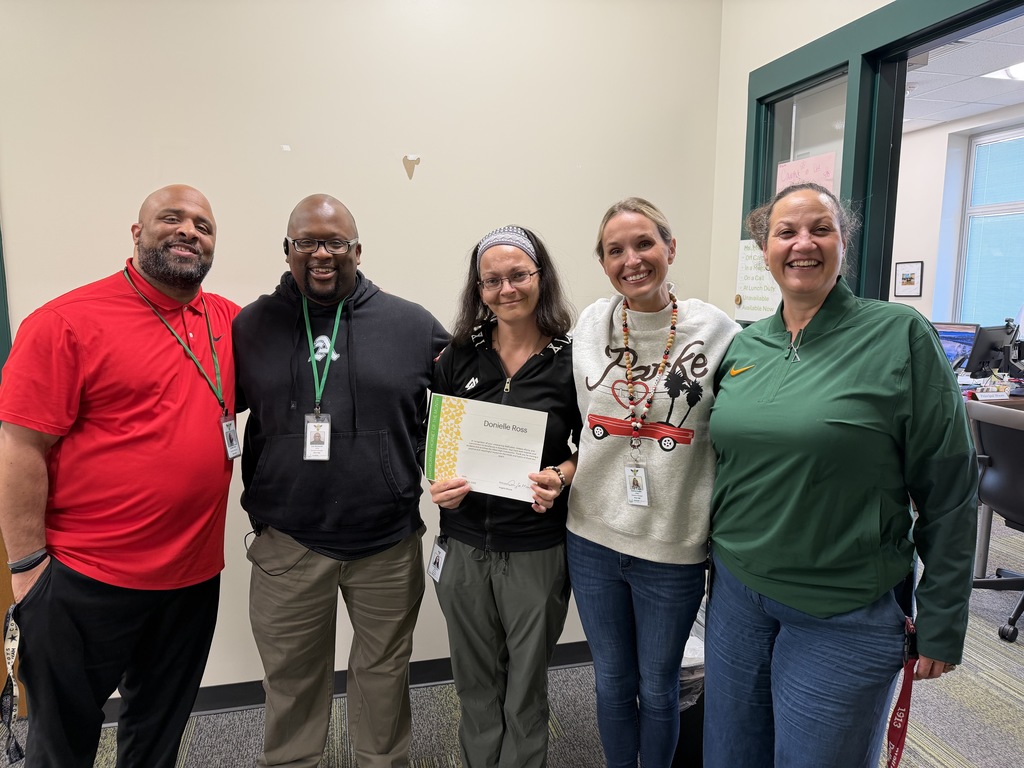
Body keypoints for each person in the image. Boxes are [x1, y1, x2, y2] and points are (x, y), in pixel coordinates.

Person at [704, 183, 979, 768]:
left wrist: (943, 614)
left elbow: (950, 488)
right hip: (736, 594)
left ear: (843, 244)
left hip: (844, 608)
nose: (803, 244)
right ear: (765, 248)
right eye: (786, 232)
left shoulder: (899, 336)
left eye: (820, 229)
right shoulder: (746, 344)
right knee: (730, 754)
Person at [0, 185, 239, 768]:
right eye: (171, 219)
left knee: (157, 735)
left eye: (203, 226)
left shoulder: (230, 322)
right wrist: (28, 568)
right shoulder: (65, 322)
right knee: (63, 742)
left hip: (191, 580)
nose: (189, 231)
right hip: (85, 577)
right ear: (137, 234)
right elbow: (20, 448)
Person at [234, 194, 448, 768]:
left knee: (383, 681)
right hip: (289, 543)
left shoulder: (410, 323)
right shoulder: (250, 326)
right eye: (307, 242)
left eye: (334, 242)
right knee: (292, 685)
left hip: (387, 542)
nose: (321, 253)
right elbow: (204, 406)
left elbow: (467, 400)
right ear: (287, 251)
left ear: (357, 249)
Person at [567, 198, 740, 768]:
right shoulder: (590, 324)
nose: (632, 259)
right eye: (615, 250)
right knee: (613, 683)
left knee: (660, 687)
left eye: (644, 244)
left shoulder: (715, 330)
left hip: (672, 544)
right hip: (591, 536)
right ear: (603, 262)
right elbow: (575, 423)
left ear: (670, 247)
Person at [428, 225, 581, 768]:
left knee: (525, 688)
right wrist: (440, 488)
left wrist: (561, 476)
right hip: (464, 546)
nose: (506, 288)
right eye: (491, 280)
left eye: (518, 275)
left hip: (536, 549)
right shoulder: (456, 357)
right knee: (473, 682)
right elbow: (442, 452)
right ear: (478, 288)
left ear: (541, 277)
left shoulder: (574, 358)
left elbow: (592, 450)